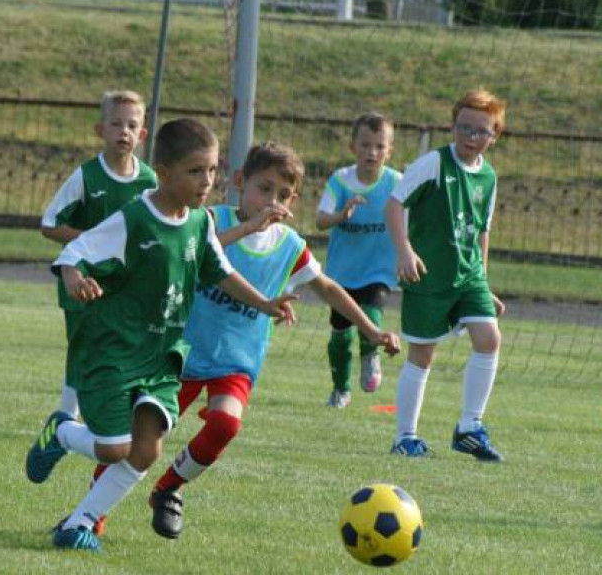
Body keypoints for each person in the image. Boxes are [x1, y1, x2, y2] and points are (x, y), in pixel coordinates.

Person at [24, 118, 297, 553]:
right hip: (115, 351)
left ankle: (80, 523)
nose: (206, 181)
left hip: (162, 354)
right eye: (195, 171)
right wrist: (75, 278)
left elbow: (221, 273)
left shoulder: (200, 223)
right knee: (115, 449)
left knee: (147, 449)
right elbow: (75, 251)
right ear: (164, 173)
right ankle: (60, 433)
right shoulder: (133, 218)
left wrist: (265, 304)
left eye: (211, 170)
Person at [146, 142, 400, 539]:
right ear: (239, 182)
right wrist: (247, 228)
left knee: (226, 424)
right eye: (264, 189)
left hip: (236, 361)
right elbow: (190, 252)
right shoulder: (212, 221)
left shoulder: (288, 246)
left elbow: (329, 288)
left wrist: (371, 329)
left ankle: (168, 489)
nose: (272, 201)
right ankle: (89, 516)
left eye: (282, 195)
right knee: (139, 444)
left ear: (293, 201)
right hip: (181, 355)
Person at [386, 89, 507, 461]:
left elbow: (481, 230)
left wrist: (484, 281)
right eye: (463, 127)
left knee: (489, 338)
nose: (470, 137)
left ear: (495, 135)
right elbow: (393, 203)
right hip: (429, 276)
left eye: (480, 131)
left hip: (469, 276)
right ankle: (405, 436)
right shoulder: (433, 164)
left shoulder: (487, 175)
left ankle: (469, 427)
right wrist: (405, 250)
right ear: (453, 126)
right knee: (422, 354)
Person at [40, 90, 157, 418]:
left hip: (125, 285)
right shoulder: (86, 176)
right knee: (84, 349)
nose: (124, 131)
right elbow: (49, 224)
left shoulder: (149, 181)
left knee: (127, 349)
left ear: (142, 134)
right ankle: (66, 419)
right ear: (100, 130)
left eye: (132, 125)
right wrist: (95, 242)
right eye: (116, 123)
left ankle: (118, 415)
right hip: (81, 279)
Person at [316, 114, 401, 408]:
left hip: (378, 271)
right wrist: (342, 215)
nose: (372, 152)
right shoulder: (340, 181)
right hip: (342, 273)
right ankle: (341, 389)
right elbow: (320, 220)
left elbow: (413, 219)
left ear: (389, 150)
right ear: (353, 147)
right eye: (365, 145)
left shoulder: (397, 183)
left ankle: (370, 355)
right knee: (340, 335)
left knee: (372, 315)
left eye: (380, 146)